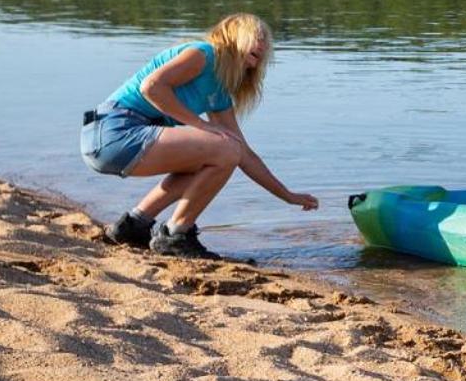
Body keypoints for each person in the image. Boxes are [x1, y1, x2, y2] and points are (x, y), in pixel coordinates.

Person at [81, 13, 320, 258]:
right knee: (224, 149)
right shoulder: (203, 54)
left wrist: (287, 196)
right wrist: (199, 125)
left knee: (224, 151)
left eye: (265, 46)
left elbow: (244, 154)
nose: (261, 48)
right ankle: (175, 234)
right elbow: (151, 87)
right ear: (235, 37)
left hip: (114, 142)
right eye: (257, 39)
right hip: (112, 133)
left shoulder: (218, 91)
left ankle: (134, 225)